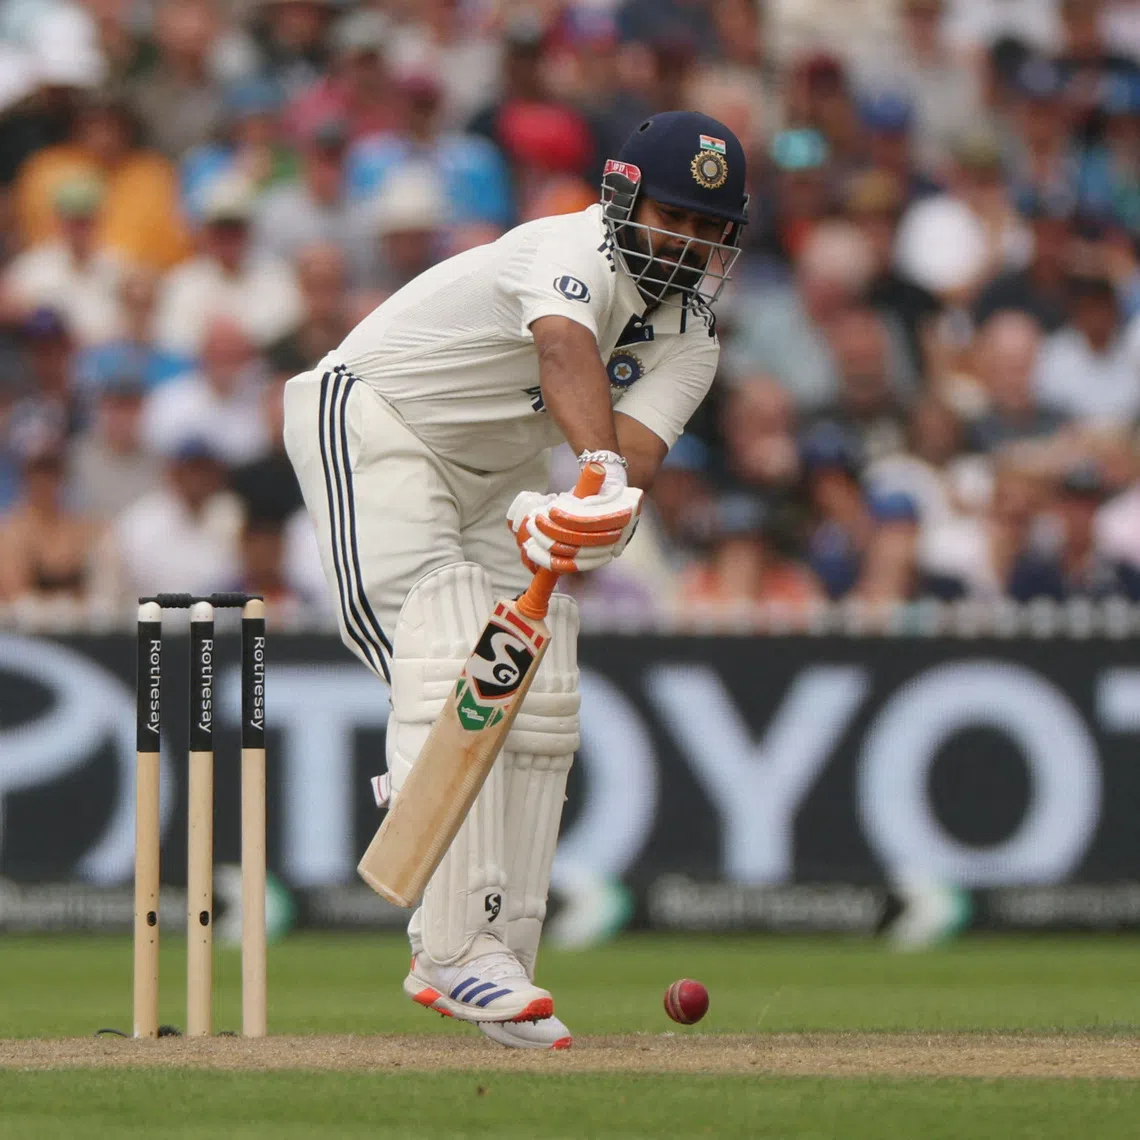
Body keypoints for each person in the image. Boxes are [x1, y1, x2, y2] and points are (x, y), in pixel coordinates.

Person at [282, 111, 748, 1049]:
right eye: (674, 216)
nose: (688, 241)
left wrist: (594, 510)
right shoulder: (564, 246)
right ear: (624, 199)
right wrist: (600, 471)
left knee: (531, 681)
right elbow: (565, 353)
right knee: (449, 657)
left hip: (493, 479)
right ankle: (449, 949)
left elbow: (636, 455)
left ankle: (497, 949)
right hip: (378, 424)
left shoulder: (692, 336)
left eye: (708, 227)